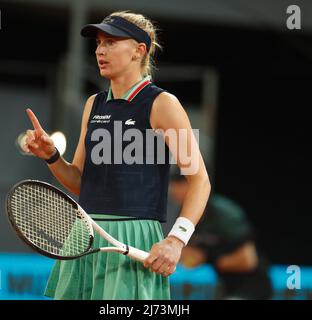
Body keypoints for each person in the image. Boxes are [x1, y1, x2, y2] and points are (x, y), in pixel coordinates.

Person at [20, 11, 211, 300]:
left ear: (139, 50)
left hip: (135, 238)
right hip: (85, 236)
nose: (100, 50)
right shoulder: (93, 104)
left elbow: (199, 181)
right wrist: (52, 156)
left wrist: (176, 240)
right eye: (98, 43)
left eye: (111, 42)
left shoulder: (163, 104)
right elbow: (80, 183)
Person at [169, 173, 273, 300]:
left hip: (253, 286)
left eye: (178, 184)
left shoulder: (224, 213)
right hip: (226, 285)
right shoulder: (183, 212)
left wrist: (207, 259)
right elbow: (189, 255)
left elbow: (247, 261)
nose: (172, 189)